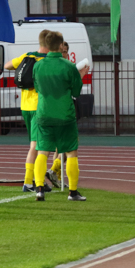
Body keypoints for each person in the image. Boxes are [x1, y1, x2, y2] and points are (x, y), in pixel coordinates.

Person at [32, 31, 86, 202]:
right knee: (71, 153)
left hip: (44, 113)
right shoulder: (69, 66)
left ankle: (39, 188)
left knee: (42, 151)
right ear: (61, 45)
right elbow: (76, 91)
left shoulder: (38, 66)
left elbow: (37, 88)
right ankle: (73, 191)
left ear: (46, 45)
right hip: (65, 115)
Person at [4, 29, 50, 192]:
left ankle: (38, 179)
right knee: (36, 146)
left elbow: (7, 65)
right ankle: (28, 182)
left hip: (25, 106)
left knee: (37, 145)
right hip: (39, 107)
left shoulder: (28, 56)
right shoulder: (45, 61)